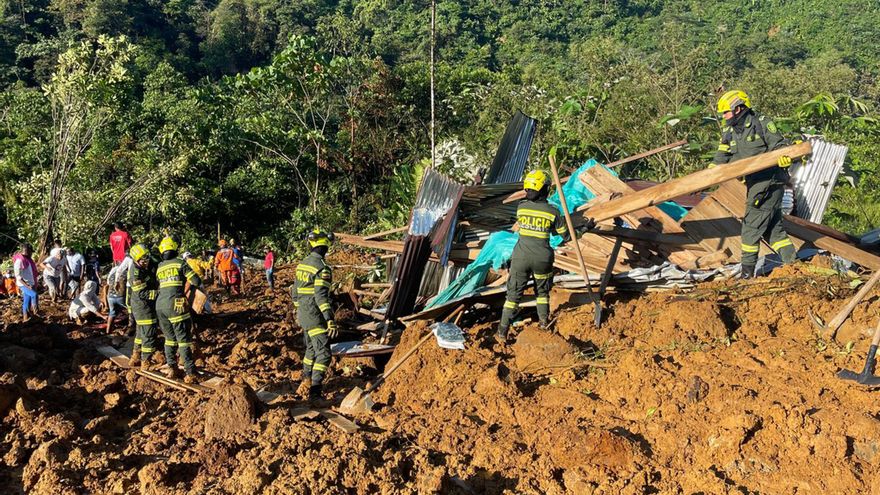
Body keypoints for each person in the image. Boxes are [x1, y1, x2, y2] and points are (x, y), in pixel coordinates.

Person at [712, 90, 797, 279]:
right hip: (753, 183)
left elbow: (780, 147)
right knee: (773, 231)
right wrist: (706, 178)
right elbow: (720, 158)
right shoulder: (729, 132)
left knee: (750, 227)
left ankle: (747, 275)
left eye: (726, 112)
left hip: (769, 182)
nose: (724, 117)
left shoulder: (762, 123)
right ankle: (794, 266)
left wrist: (784, 157)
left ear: (738, 108)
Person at [496, 170, 571, 342]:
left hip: (520, 257)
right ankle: (544, 324)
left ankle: (502, 332)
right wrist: (585, 228)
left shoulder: (521, 208)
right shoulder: (554, 212)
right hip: (542, 259)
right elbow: (565, 235)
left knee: (513, 296)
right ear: (545, 189)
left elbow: (530, 224)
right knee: (542, 293)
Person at [291, 229, 338, 402]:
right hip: (314, 315)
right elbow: (321, 297)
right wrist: (329, 319)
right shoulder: (322, 269)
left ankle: (305, 379)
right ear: (326, 248)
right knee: (324, 353)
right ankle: (315, 391)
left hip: (303, 314)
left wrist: (301, 310)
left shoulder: (302, 264)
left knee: (310, 349)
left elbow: (295, 293)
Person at [155, 236, 203, 383]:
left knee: (169, 339)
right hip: (176, 305)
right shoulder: (180, 263)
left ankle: (172, 368)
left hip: (160, 306)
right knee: (183, 340)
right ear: (175, 249)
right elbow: (196, 280)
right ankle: (190, 372)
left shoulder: (160, 267)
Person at [128, 244, 160, 369]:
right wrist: (160, 294)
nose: (146, 261)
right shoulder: (135, 273)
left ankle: (135, 357)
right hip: (143, 307)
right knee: (149, 333)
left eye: (147, 258)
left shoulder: (143, 268)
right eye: (143, 259)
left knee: (140, 334)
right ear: (136, 260)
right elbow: (142, 293)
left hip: (142, 306)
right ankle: (146, 361)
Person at [13, 244, 39, 320]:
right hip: (23, 284)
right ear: (26, 251)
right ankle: (36, 313)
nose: (32, 254)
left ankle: (26, 317)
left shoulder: (28, 259)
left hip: (30, 283)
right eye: (31, 252)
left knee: (27, 300)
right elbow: (18, 277)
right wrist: (27, 286)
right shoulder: (19, 261)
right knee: (34, 295)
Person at [106, 257, 131, 333]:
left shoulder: (113, 271)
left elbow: (107, 283)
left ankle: (108, 331)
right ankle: (130, 330)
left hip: (110, 296)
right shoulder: (126, 271)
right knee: (131, 311)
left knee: (112, 313)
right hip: (120, 296)